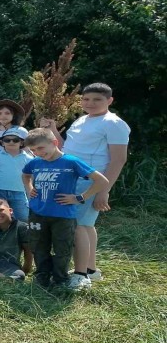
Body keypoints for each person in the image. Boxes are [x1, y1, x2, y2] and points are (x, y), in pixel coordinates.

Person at [42, 83, 130, 283]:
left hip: (90, 181)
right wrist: (54, 129)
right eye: (86, 99)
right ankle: (91, 270)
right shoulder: (81, 120)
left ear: (109, 101)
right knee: (87, 226)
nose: (90, 103)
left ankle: (80, 276)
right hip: (72, 179)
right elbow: (66, 149)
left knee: (77, 226)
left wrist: (103, 191)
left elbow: (118, 159)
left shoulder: (113, 123)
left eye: (97, 99)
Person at [22, 128, 109, 291]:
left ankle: (60, 279)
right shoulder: (35, 162)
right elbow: (25, 175)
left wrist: (80, 197)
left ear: (54, 143)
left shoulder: (71, 162)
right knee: (39, 247)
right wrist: (29, 188)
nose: (37, 153)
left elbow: (101, 181)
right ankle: (42, 276)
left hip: (62, 215)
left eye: (40, 148)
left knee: (63, 248)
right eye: (33, 150)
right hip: (37, 213)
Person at [0, 127, 33, 222]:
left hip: (19, 191)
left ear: (21, 143)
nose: (11, 142)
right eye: (7, 140)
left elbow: (30, 179)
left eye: (15, 140)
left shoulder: (29, 158)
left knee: (23, 218)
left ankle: (19, 236)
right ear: (2, 142)